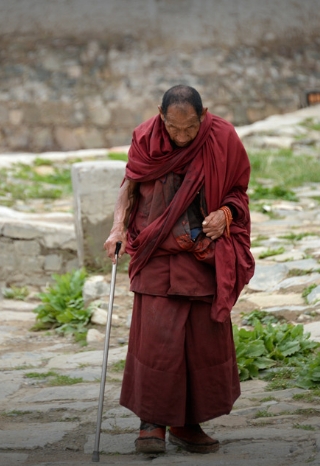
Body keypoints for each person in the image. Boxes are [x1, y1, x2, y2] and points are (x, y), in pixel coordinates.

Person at [103, 85, 255, 454]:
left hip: (202, 252)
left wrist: (226, 215)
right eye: (175, 129)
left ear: (204, 116)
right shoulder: (146, 137)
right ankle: (151, 422)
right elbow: (131, 185)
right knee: (156, 341)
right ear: (161, 115)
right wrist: (117, 227)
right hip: (157, 251)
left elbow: (238, 192)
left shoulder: (223, 137)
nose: (183, 137)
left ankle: (187, 423)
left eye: (190, 129)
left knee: (199, 343)